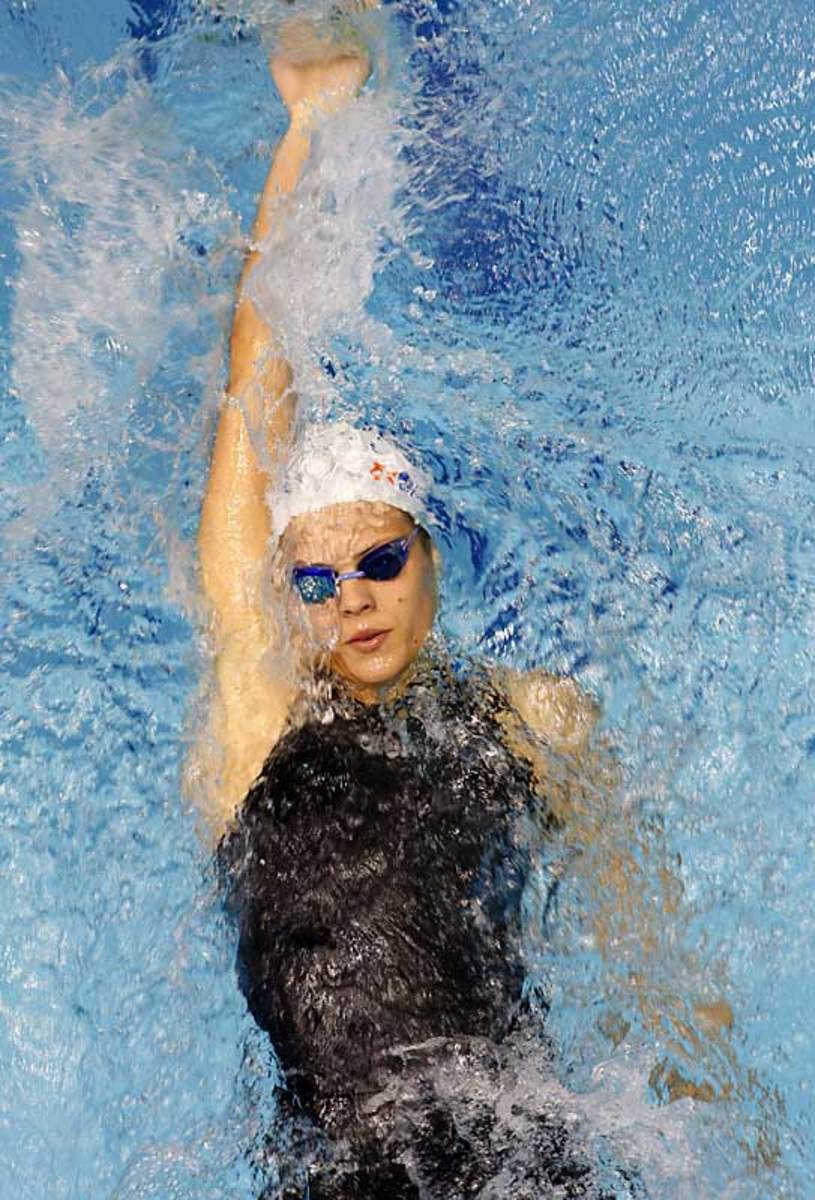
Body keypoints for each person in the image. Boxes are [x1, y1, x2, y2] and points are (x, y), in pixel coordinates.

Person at [195, 12, 735, 1198]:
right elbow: (247, 403)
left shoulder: (533, 719)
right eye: (317, 582)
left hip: (524, 1152)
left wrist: (715, 1101)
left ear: (431, 560)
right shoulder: (260, 724)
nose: (351, 604)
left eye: (381, 565)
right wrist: (306, 136)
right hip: (337, 1170)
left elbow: (650, 951)